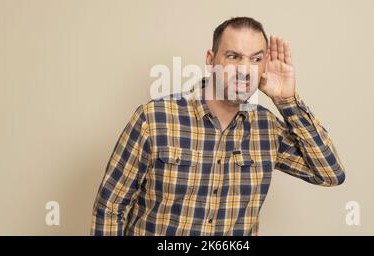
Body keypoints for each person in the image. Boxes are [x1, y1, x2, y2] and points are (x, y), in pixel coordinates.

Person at [90, 16, 346, 235]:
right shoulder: (154, 118)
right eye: (234, 56)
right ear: (211, 59)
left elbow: (329, 173)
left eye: (256, 59)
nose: (245, 70)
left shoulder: (266, 128)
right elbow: (110, 207)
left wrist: (285, 100)